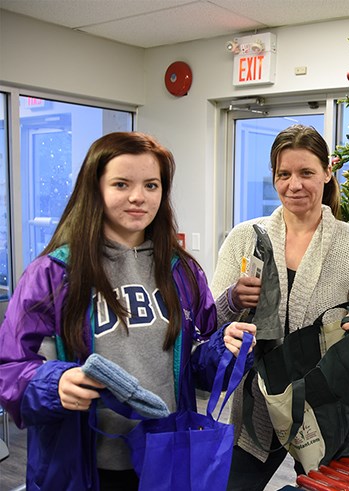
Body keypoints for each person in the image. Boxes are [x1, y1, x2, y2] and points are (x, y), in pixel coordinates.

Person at [0, 132, 256, 491]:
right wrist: (52, 383)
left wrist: (223, 347)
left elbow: (196, 365)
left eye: (151, 185)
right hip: (81, 467)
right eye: (122, 184)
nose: (139, 197)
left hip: (163, 458)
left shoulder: (182, 271)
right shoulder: (52, 274)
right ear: (95, 189)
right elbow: (9, 368)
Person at [210, 124, 349, 490]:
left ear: (326, 172)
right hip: (259, 401)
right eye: (284, 174)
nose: (295, 185)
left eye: (306, 172)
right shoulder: (245, 237)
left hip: (323, 404)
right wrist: (232, 301)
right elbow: (210, 318)